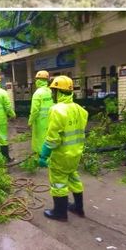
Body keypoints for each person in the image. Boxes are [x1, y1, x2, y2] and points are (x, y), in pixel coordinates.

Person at [39, 75, 88, 221]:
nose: (53, 94)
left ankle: (60, 213)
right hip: (75, 154)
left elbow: (53, 139)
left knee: (59, 182)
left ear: (58, 92)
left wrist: (43, 155)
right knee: (73, 178)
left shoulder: (57, 110)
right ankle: (78, 208)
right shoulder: (80, 110)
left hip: (61, 156)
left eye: (54, 91)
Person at [28, 70, 53, 156]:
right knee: (49, 137)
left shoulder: (37, 93)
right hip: (50, 119)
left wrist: (30, 121)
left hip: (40, 121)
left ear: (38, 80)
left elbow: (34, 110)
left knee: (40, 138)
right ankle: (49, 153)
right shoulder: (51, 91)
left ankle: (42, 156)